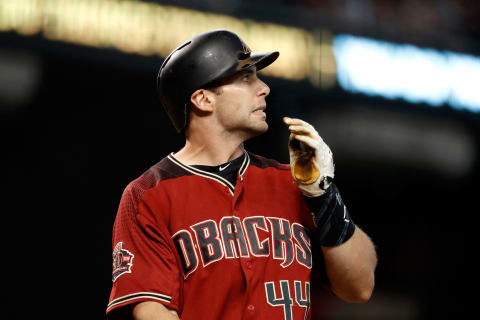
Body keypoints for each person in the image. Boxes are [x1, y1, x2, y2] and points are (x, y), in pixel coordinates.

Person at [106, 29, 377, 320]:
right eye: (246, 78)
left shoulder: (292, 183)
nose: (264, 88)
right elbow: (153, 310)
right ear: (203, 99)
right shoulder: (150, 193)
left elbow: (359, 286)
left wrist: (323, 194)